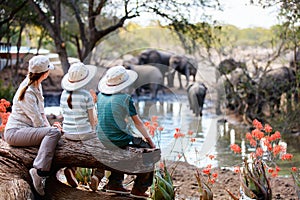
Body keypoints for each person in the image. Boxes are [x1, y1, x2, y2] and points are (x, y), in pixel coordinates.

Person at [3, 55, 62, 196]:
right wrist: (53, 130)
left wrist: (52, 128)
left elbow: (41, 115)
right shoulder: (28, 91)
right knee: (54, 133)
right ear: (45, 73)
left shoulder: (36, 85)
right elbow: (37, 122)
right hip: (15, 133)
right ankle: (39, 171)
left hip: (26, 130)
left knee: (55, 132)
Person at [97, 65, 156, 199]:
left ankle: (115, 183)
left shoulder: (100, 95)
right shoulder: (125, 98)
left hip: (101, 137)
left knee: (120, 145)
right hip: (117, 139)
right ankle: (139, 188)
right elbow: (138, 123)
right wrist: (150, 142)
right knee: (149, 153)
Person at [60, 62, 99, 190]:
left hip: (67, 133)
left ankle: (71, 169)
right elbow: (92, 120)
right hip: (84, 133)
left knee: (75, 148)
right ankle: (97, 176)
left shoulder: (63, 94)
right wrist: (95, 131)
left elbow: (63, 114)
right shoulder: (86, 95)